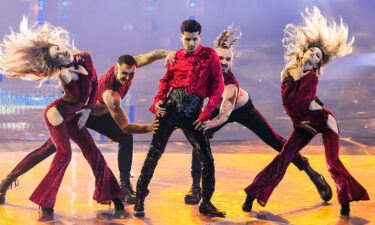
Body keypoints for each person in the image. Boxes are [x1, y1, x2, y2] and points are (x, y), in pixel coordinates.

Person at [179, 25, 332, 205]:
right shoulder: (204, 65)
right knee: (198, 136)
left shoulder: (230, 84)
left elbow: (225, 112)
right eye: (220, 58)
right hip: (220, 104)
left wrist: (210, 123)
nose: (224, 62)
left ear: (233, 61)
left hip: (241, 107)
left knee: (274, 140)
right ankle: (195, 187)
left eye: (228, 59)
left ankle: (311, 173)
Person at [0, 51, 174, 205]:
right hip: (79, 116)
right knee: (50, 149)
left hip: (92, 111)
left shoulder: (127, 66)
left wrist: (169, 53)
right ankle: (8, 181)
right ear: (116, 69)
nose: (127, 78)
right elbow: (126, 126)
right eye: (124, 74)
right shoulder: (110, 94)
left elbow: (149, 56)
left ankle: (124, 186)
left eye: (131, 74)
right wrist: (150, 128)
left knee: (117, 141)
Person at [241, 7, 369, 216]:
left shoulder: (313, 78)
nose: (314, 55)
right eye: (313, 51)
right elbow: (288, 104)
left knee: (332, 162)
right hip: (303, 124)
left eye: (318, 55)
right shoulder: (287, 72)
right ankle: (252, 195)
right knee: (283, 158)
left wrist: (316, 117)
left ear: (319, 62)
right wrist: (298, 123)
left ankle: (345, 201)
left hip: (323, 120)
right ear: (306, 50)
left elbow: (306, 103)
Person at [0, 17, 123, 220]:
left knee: (92, 152)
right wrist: (79, 94)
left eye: (58, 48)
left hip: (75, 115)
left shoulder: (85, 57)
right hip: (57, 114)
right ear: (55, 62)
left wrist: (88, 110)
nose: (61, 51)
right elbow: (77, 93)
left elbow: (93, 83)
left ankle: (113, 195)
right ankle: (42, 199)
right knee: (63, 153)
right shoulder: (64, 74)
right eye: (56, 54)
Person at [133, 19, 226, 218]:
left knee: (207, 160)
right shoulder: (176, 56)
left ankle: (206, 202)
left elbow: (218, 86)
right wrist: (158, 100)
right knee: (153, 154)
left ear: (200, 37)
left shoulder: (210, 55)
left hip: (194, 115)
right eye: (186, 39)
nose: (190, 43)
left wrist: (206, 113)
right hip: (169, 110)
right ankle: (140, 197)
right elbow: (166, 81)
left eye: (194, 39)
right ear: (181, 37)